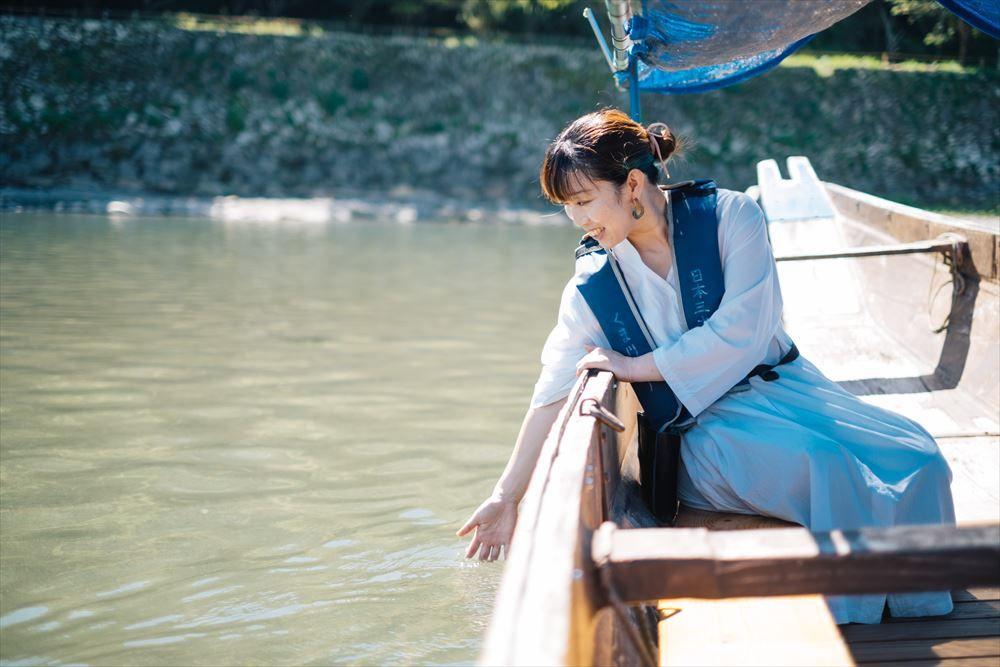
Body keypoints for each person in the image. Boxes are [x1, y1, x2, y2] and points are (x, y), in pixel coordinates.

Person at [456, 107, 957, 625]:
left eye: (584, 201)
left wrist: (634, 366)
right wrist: (504, 495)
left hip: (786, 392)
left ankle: (920, 601)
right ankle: (856, 619)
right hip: (701, 429)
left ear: (632, 184)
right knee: (826, 464)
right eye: (567, 207)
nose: (578, 220)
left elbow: (744, 333)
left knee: (918, 455)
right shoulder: (594, 284)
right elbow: (552, 391)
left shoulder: (732, 218)